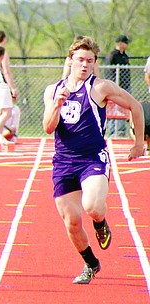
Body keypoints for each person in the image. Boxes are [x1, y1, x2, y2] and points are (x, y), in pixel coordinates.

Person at [42, 36, 145, 284]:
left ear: (94, 62)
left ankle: (100, 222)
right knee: (72, 222)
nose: (85, 65)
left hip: (92, 158)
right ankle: (91, 263)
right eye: (80, 60)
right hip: (64, 162)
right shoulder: (53, 90)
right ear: (70, 60)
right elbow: (47, 127)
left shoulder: (100, 87)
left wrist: (138, 142)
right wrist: (57, 105)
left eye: (90, 60)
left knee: (92, 207)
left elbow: (135, 106)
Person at [103, 34, 132, 138]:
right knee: (113, 109)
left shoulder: (125, 56)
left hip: (125, 86)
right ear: (120, 43)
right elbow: (109, 72)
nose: (127, 45)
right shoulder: (112, 55)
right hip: (115, 87)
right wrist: (113, 86)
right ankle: (112, 132)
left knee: (123, 109)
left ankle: (121, 131)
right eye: (125, 42)